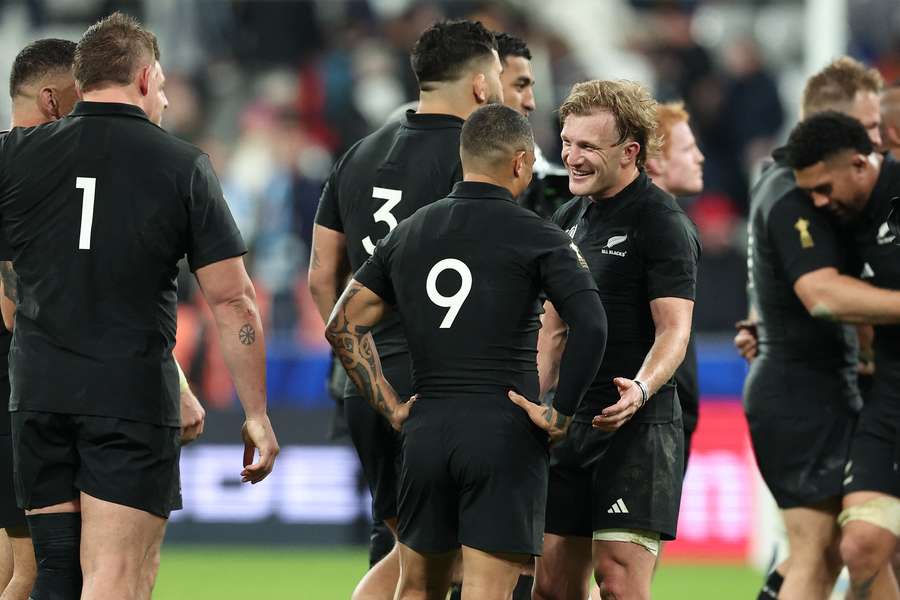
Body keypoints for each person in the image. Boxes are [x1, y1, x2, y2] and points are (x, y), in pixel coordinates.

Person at [0, 13, 278, 599]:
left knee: (56, 573)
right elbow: (234, 301)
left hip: (37, 394)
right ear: (147, 78)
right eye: (165, 85)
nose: (170, 99)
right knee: (115, 577)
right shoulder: (180, 165)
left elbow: (9, 287)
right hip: (127, 399)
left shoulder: (17, 155)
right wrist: (256, 412)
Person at [326, 103, 607, 600]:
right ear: (521, 163)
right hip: (505, 433)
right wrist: (563, 414)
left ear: (463, 158)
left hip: (427, 430)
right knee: (487, 591)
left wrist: (391, 405)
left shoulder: (408, 232)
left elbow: (342, 325)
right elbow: (590, 324)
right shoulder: (540, 236)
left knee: (415, 588)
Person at [308, 19, 502, 600]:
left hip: (368, 388)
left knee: (410, 558)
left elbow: (323, 276)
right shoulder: (474, 161)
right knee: (464, 564)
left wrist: (357, 360)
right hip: (442, 390)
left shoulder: (358, 155)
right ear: (480, 85)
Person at [533, 80, 700, 600]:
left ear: (630, 152)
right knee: (552, 585)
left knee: (619, 582)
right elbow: (553, 328)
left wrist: (642, 389)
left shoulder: (662, 222)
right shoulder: (568, 218)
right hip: (570, 424)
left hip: (637, 427)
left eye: (588, 147)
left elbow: (674, 328)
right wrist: (535, 402)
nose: (571, 157)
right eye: (567, 142)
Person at [739, 57, 897, 600]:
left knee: (848, 550)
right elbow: (821, 293)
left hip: (817, 382)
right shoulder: (793, 195)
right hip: (801, 390)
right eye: (868, 127)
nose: (878, 140)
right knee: (817, 553)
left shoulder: (785, 184)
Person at [783, 111, 900, 600]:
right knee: (860, 545)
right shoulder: (842, 222)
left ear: (860, 163)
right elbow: (824, 296)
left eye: (825, 187)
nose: (818, 202)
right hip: (891, 401)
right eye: (810, 191)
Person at [645, 101, 705, 473]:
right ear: (654, 161)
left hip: (669, 411)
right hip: (655, 414)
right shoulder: (658, 226)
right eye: (687, 149)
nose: (699, 157)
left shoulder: (671, 222)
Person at [494, 31, 568, 220]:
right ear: (483, 85)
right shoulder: (439, 163)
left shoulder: (537, 166)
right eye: (520, 87)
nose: (530, 103)